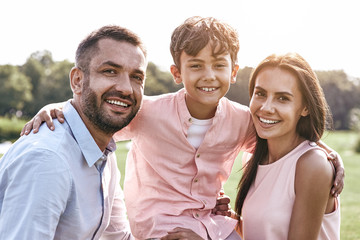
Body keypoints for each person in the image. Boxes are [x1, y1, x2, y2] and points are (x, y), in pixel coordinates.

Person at [21, 17, 344, 239]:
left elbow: (286, 141)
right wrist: (60, 107)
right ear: (177, 71)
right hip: (158, 227)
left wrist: (323, 153)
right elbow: (94, 121)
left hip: (211, 226)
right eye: (196, 65)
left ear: (234, 73)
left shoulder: (243, 119)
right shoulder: (146, 112)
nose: (208, 75)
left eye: (219, 65)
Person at [0, 25, 148, 239]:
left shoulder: (103, 150)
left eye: (137, 77)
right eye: (110, 71)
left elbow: (119, 237)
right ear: (77, 80)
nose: (126, 88)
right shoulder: (47, 160)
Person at [234, 53, 341, 239]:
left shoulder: (312, 165)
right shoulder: (252, 158)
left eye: (282, 98)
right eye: (260, 94)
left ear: (305, 107)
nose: (266, 107)